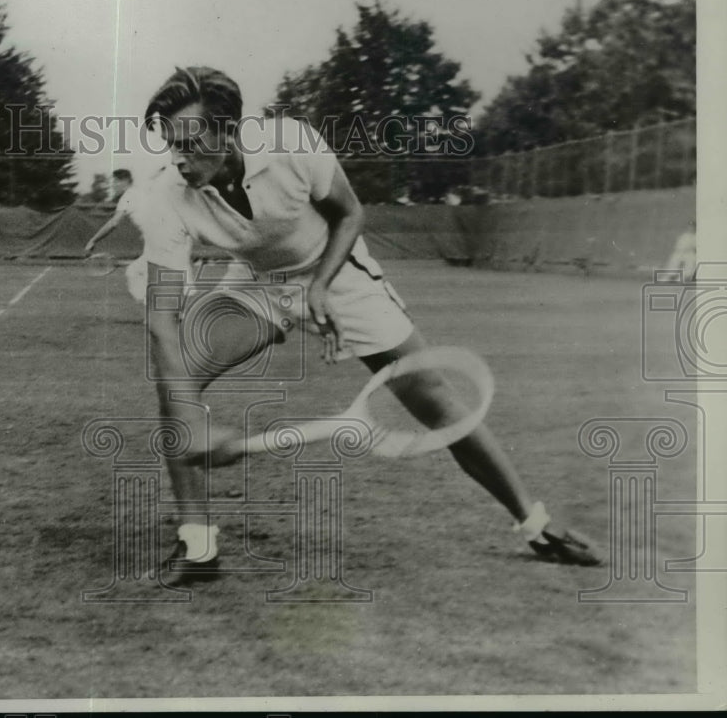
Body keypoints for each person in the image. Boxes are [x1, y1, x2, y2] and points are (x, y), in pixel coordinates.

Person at [136, 66, 601, 585]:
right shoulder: (165, 197)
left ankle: (536, 524)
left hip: (336, 272)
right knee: (176, 381)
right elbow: (161, 319)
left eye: (190, 142)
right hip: (256, 279)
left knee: (432, 396)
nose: (179, 159)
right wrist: (188, 423)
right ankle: (198, 548)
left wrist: (319, 287)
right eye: (170, 145)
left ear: (228, 129)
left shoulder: (292, 144)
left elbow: (349, 215)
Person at [84, 169, 148, 302]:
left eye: (114, 182)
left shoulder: (128, 197)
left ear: (123, 181)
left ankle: (159, 314)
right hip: (167, 238)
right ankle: (168, 314)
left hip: (160, 240)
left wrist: (93, 240)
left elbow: (114, 222)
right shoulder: (143, 192)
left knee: (134, 273)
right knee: (141, 273)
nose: (112, 186)